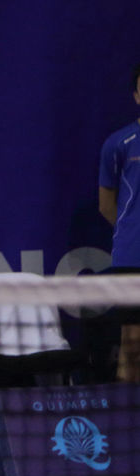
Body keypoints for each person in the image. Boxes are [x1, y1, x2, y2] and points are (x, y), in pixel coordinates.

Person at [98, 63, 140, 384]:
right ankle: (128, 424)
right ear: (137, 96)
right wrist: (131, 233)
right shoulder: (118, 144)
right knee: (133, 342)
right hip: (132, 259)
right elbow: (106, 205)